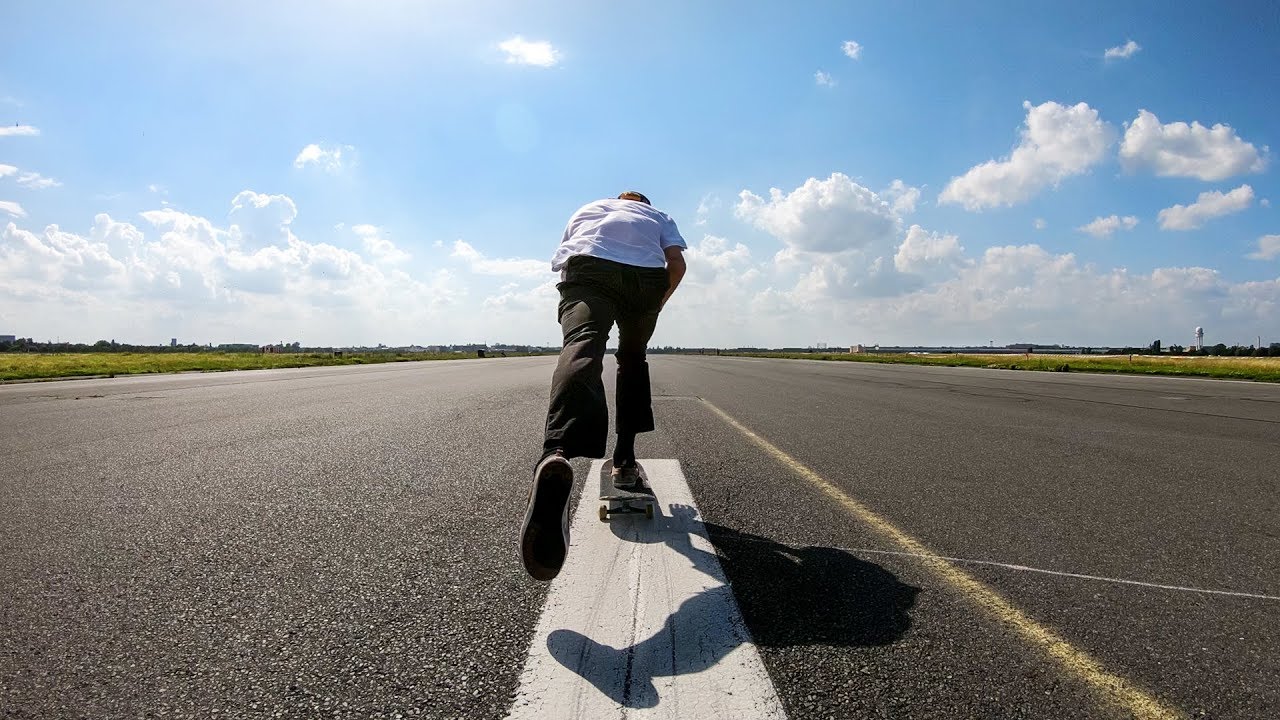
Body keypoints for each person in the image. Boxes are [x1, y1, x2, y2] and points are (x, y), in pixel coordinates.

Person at [519, 190, 687, 581]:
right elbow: (676, 263)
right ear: (644, 204)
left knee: (582, 344)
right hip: (645, 280)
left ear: (619, 199)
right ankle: (624, 460)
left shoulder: (589, 208)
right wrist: (657, 301)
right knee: (632, 361)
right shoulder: (658, 215)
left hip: (590, 269)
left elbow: (567, 257)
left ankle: (556, 452)